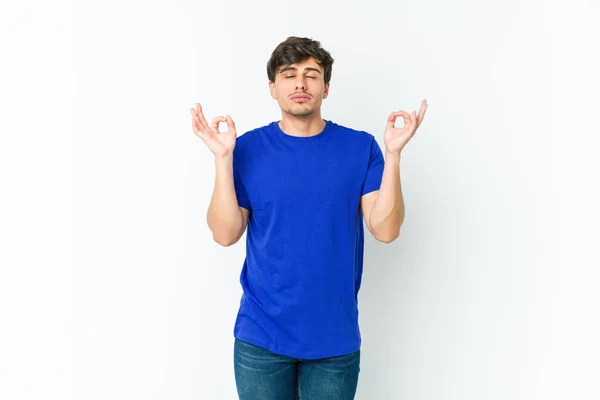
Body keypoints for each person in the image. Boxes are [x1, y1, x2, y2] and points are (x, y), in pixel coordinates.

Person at [190, 36, 427, 400]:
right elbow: (225, 233)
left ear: (326, 87)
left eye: (311, 74)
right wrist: (223, 159)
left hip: (334, 339)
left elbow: (385, 229)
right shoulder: (247, 149)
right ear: (273, 87)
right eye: (289, 74)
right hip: (261, 338)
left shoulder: (360, 147)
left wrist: (393, 155)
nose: (300, 83)